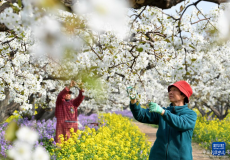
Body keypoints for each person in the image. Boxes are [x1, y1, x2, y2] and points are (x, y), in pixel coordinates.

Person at [128, 80, 197, 160]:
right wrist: (134, 101)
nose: (170, 92)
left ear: (183, 95)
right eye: (170, 90)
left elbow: (180, 123)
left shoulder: (190, 114)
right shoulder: (162, 112)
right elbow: (141, 115)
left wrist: (163, 112)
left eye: (174, 90)